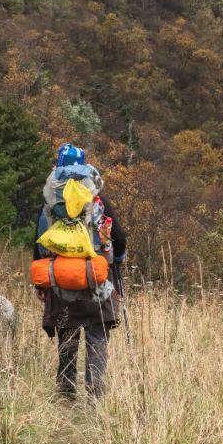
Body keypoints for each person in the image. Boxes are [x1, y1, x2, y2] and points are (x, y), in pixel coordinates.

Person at [35, 143, 128, 400]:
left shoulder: (50, 202)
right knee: (97, 334)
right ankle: (95, 389)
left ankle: (66, 391)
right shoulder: (98, 200)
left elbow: (39, 242)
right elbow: (119, 237)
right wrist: (117, 259)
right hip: (97, 279)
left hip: (61, 280)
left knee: (67, 333)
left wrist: (42, 285)